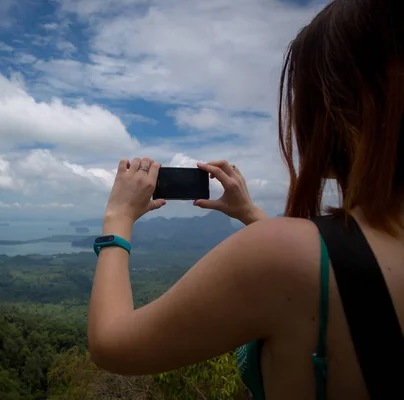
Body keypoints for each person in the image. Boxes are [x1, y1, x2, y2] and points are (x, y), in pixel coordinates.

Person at [87, 1, 404, 399]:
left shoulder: (280, 256)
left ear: (333, 109)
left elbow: (111, 345)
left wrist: (117, 219)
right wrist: (252, 214)